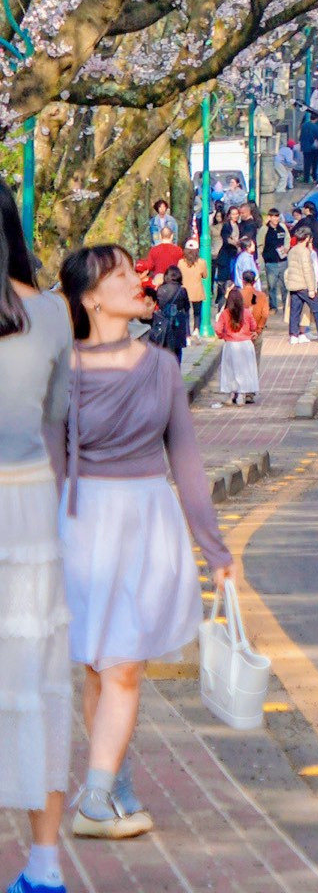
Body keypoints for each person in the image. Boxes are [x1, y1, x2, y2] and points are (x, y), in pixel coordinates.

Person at [59, 243, 232, 844]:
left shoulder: (161, 365)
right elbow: (53, 465)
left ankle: (105, 790)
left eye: (137, 271)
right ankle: (105, 795)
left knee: (120, 667)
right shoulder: (62, 367)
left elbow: (185, 462)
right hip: (82, 525)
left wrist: (217, 552)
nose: (140, 282)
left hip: (146, 522)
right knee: (106, 667)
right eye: (123, 275)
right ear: (89, 297)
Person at [0, 179, 74, 893]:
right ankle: (45, 861)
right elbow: (56, 423)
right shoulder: (51, 315)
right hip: (28, 509)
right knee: (38, 682)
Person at [216, 280, 261, 407]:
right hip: (246, 344)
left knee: (230, 370)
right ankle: (242, 395)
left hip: (231, 344)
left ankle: (230, 395)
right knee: (245, 370)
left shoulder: (225, 314)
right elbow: (254, 325)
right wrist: (253, 333)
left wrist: (223, 336)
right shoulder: (246, 312)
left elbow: (218, 329)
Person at [283, 223, 318, 344]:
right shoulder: (305, 252)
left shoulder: (292, 250)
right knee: (317, 307)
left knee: (295, 310)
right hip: (303, 285)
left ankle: (293, 335)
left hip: (293, 285)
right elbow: (308, 271)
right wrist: (312, 289)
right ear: (307, 238)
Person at [260, 208, 288, 318]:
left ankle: (287, 306)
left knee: (285, 286)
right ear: (269, 217)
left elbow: (287, 239)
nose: (276, 219)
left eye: (277, 216)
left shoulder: (282, 228)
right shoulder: (264, 229)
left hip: (283, 261)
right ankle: (273, 306)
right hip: (270, 262)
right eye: (274, 216)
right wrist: (263, 258)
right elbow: (260, 243)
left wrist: (286, 248)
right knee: (272, 286)